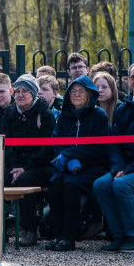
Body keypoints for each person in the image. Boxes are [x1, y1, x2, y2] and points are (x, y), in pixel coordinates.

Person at [45, 76, 110, 251]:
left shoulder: (99, 115)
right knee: (54, 183)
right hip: (67, 166)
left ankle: (69, 237)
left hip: (93, 166)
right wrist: (64, 157)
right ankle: (57, 234)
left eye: (81, 91)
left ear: (90, 94)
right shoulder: (65, 116)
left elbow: (99, 147)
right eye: (73, 91)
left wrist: (69, 154)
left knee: (70, 186)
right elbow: (56, 141)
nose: (76, 94)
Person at [93, 61, 134, 252]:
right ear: (128, 80)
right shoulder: (122, 109)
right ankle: (118, 236)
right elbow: (114, 144)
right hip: (125, 168)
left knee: (121, 185)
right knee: (100, 184)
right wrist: (118, 168)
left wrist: (128, 171)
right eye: (133, 76)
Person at [1, 74, 57, 246]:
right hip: (15, 164)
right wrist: (14, 166)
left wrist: (25, 168)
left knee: (25, 181)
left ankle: (29, 230)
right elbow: (6, 144)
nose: (20, 95)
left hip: (41, 165)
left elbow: (46, 149)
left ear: (33, 94)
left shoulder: (45, 114)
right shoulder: (9, 112)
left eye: (25, 91)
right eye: (17, 91)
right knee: (0, 176)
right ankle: (1, 228)